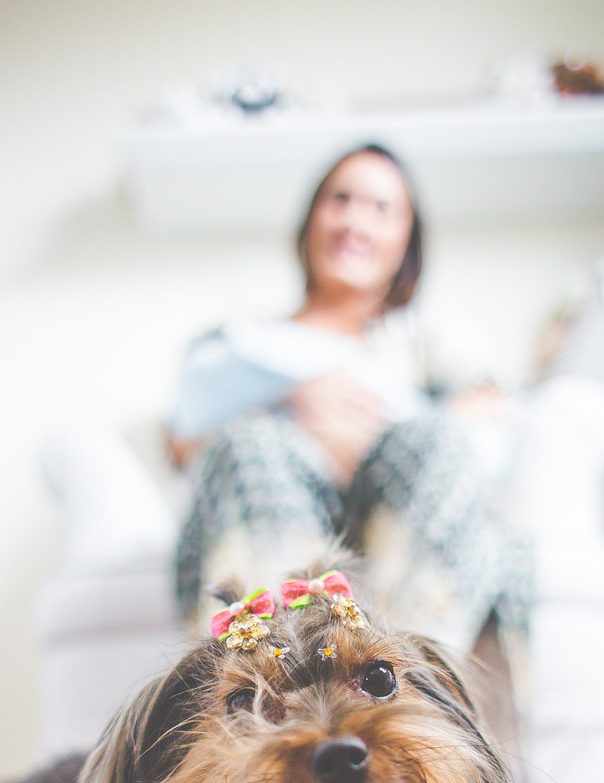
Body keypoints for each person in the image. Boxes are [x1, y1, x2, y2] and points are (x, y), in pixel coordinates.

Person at [166, 144, 531, 657]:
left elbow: (500, 407)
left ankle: (406, 680)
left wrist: (377, 438)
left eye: (381, 208)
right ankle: (267, 680)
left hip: (397, 519)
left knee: (439, 440)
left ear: (407, 242)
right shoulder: (246, 344)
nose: (355, 222)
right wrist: (294, 401)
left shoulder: (426, 346)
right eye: (340, 199)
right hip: (275, 516)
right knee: (250, 442)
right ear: (310, 220)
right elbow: (184, 445)